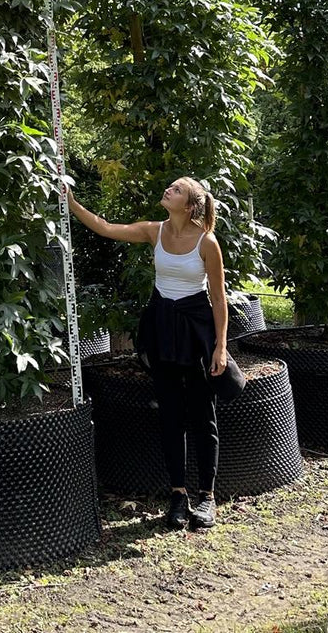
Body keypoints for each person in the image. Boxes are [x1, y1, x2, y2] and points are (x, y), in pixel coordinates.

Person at [66, 175, 228, 530]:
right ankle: (178, 495)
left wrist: (221, 346)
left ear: (190, 205)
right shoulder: (154, 231)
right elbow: (107, 228)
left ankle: (207, 496)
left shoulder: (207, 242)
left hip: (196, 330)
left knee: (203, 415)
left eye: (177, 189)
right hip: (163, 327)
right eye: (170, 186)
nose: (168, 189)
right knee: (170, 414)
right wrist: (73, 204)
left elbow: (218, 298)